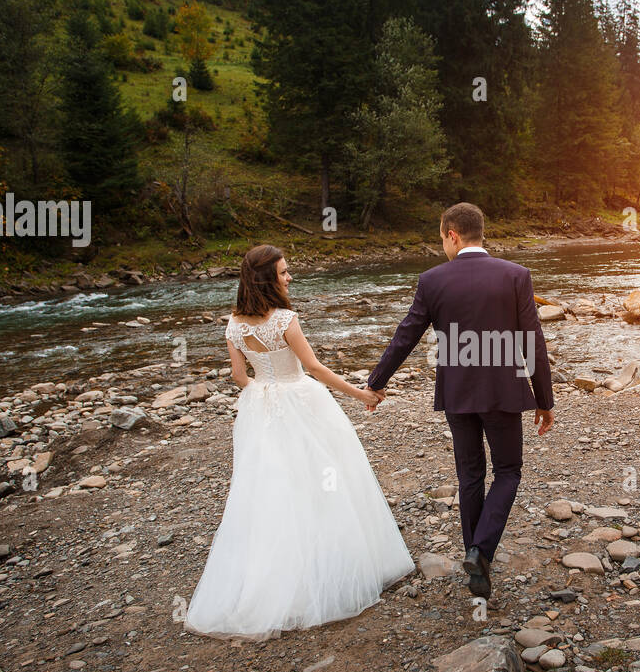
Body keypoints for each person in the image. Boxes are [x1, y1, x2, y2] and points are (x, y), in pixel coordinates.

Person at [184, 244, 414, 640]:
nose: (289, 277)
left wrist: (265, 393)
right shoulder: (285, 319)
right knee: (326, 477)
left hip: (260, 407)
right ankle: (331, 570)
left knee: (270, 490)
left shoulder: (234, 325)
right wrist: (361, 394)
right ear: (267, 278)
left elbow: (240, 378)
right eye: (284, 272)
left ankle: (275, 578)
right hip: (302, 400)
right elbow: (313, 367)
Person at [364, 202, 554, 600]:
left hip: (458, 394)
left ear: (452, 234)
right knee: (508, 471)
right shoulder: (515, 275)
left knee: (470, 476)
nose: (443, 247)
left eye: (442, 239)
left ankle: (476, 567)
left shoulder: (433, 280)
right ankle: (480, 552)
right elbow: (532, 339)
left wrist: (376, 382)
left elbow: (407, 334)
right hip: (503, 392)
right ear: (477, 232)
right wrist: (544, 398)